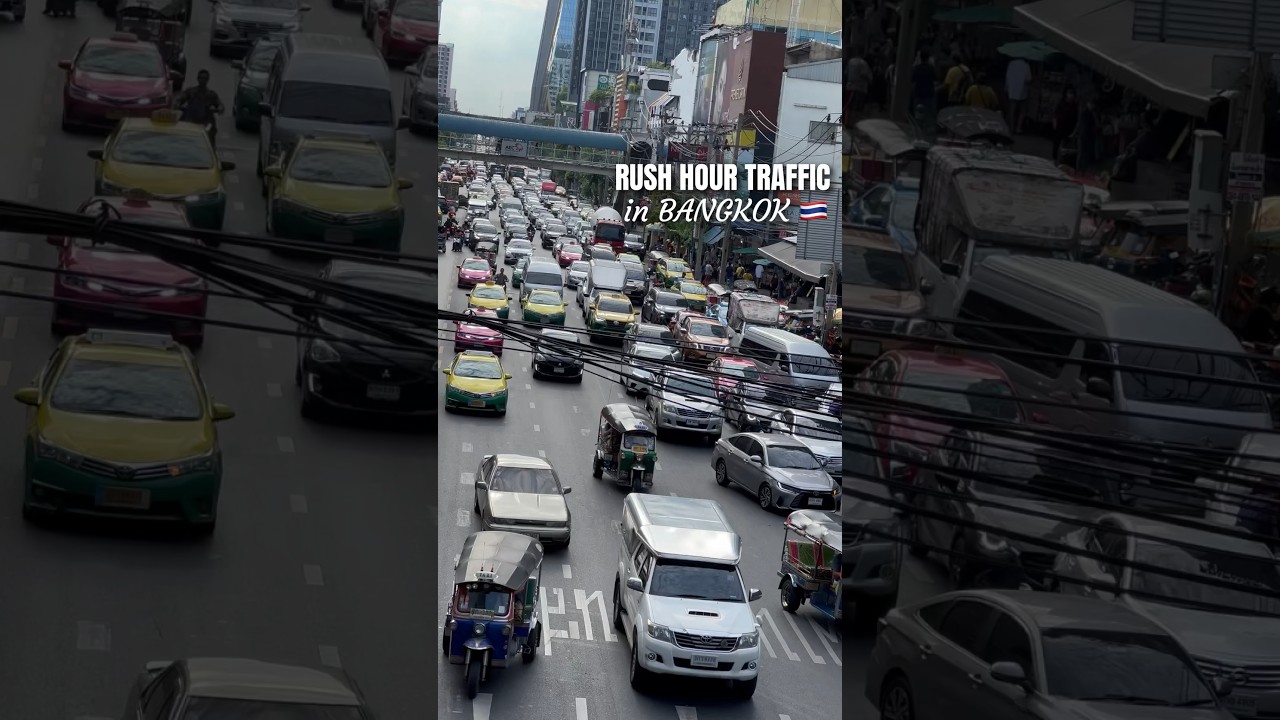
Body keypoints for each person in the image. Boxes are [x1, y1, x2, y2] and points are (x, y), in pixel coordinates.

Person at [176, 70, 224, 145]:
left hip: (205, 121)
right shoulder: (191, 91)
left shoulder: (211, 94)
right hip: (190, 119)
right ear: (198, 79)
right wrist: (178, 103)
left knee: (211, 132)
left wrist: (220, 108)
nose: (203, 80)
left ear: (208, 80)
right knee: (180, 130)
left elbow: (219, 104)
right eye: (201, 78)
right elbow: (181, 98)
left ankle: (211, 147)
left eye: (205, 78)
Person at [1005, 57, 1032, 133]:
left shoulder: (1011, 64)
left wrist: (1006, 88)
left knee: (1012, 109)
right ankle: (1018, 128)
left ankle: (1011, 127)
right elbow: (1029, 79)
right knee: (1022, 110)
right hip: (1022, 91)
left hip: (1012, 91)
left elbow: (1007, 77)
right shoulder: (1026, 65)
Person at [1052, 87, 1079, 162]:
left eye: (1072, 93)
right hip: (1059, 127)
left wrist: (1074, 132)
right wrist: (1055, 124)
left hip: (1069, 128)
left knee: (1065, 146)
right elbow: (1055, 114)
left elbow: (1076, 119)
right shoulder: (1061, 103)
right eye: (1069, 93)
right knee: (1056, 144)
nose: (1071, 95)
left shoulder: (1074, 106)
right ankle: (1054, 158)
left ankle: (1062, 160)